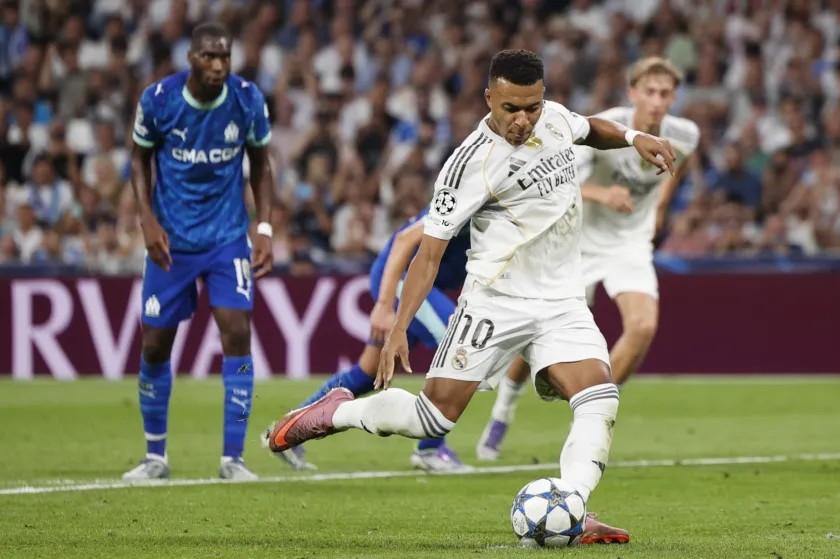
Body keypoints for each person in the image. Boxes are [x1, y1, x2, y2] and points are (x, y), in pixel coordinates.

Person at [267, 49, 675, 545]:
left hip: (562, 302)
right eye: (511, 109)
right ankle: (335, 411)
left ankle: (571, 508)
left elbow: (589, 127)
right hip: (494, 304)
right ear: (489, 99)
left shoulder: (555, 119)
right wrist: (399, 325)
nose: (524, 119)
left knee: (599, 398)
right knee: (430, 418)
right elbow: (427, 255)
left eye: (532, 106)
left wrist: (634, 138)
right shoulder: (468, 165)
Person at [477, 57, 700, 461]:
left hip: (630, 245)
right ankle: (503, 412)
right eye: (649, 91)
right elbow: (562, 182)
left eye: (665, 93)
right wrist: (604, 195)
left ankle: (592, 412)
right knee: (535, 338)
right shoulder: (606, 128)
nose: (657, 100)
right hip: (576, 242)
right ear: (632, 93)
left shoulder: (686, 134)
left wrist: (660, 207)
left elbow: (677, 164)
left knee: (643, 328)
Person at [122, 22, 274, 482]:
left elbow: (262, 165)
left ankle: (233, 459)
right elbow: (138, 158)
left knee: (236, 333)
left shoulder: (246, 99)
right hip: (171, 241)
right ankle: (155, 457)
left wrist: (263, 227)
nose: (218, 65)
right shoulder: (159, 100)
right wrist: (145, 219)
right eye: (209, 56)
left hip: (227, 238)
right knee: (153, 343)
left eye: (224, 57)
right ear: (190, 58)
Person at [261, 207, 473, 473]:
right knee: (456, 341)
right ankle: (430, 449)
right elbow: (404, 241)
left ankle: (286, 430)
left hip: (416, 284)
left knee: (368, 372)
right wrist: (384, 305)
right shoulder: (472, 196)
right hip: (399, 279)